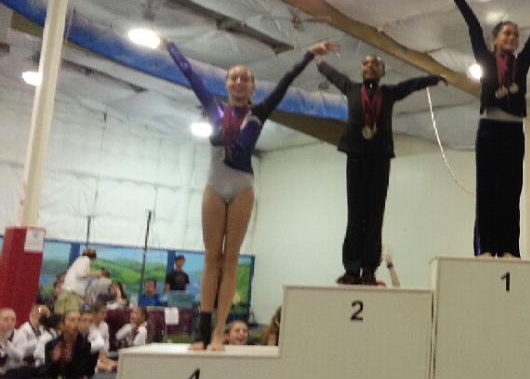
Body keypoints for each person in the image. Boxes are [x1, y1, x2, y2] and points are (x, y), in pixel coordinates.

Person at [167, 38, 332, 350]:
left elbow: (285, 83)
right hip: (215, 185)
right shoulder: (214, 109)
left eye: (245, 78)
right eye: (234, 77)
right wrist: (171, 47)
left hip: (242, 187)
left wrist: (309, 54)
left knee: (231, 259)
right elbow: (191, 76)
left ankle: (220, 331)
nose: (239, 81)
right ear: (227, 83)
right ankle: (202, 333)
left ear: (252, 86)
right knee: (211, 259)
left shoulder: (259, 112)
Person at [444, 0, 530, 258]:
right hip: (489, 129)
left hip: (514, 131)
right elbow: (473, 27)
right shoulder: (485, 59)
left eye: (515, 35)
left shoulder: (521, 63)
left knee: (512, 191)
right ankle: (486, 247)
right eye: (507, 33)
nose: (512, 37)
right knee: (488, 189)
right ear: (495, 39)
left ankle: (510, 247)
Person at [312, 43, 445, 285]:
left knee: (375, 215)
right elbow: (334, 75)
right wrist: (317, 60)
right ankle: (351, 269)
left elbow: (410, 85)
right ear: (361, 70)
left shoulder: (389, 93)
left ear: (382, 71)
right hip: (355, 155)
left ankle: (369, 269)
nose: (370, 66)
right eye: (365, 63)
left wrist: (433, 78)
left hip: (380, 158)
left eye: (374, 63)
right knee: (355, 214)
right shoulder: (351, 88)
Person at [29, 310, 92, 379]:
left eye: (79, 320)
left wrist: (69, 360)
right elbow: (48, 371)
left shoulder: (85, 345)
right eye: (72, 320)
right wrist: (55, 360)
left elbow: (80, 373)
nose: (76, 323)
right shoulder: (51, 345)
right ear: (62, 325)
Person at [0, 307, 22, 377]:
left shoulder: (20, 335)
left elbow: (19, 357)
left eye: (13, 319)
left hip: (12, 374)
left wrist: (6, 343)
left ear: (16, 322)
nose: (9, 322)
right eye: (6, 319)